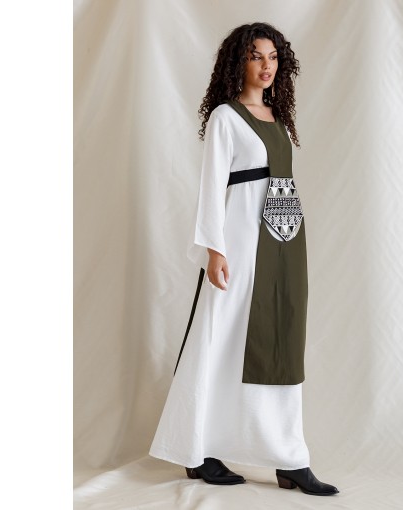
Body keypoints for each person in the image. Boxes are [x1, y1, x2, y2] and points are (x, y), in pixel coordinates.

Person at [149, 22, 339, 497]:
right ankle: (200, 449)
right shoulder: (225, 118)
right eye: (256, 56)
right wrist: (215, 249)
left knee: (281, 339)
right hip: (239, 242)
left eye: (273, 56)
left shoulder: (279, 118)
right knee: (222, 337)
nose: (266, 65)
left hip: (285, 240)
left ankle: (287, 458)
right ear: (240, 62)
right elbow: (213, 186)